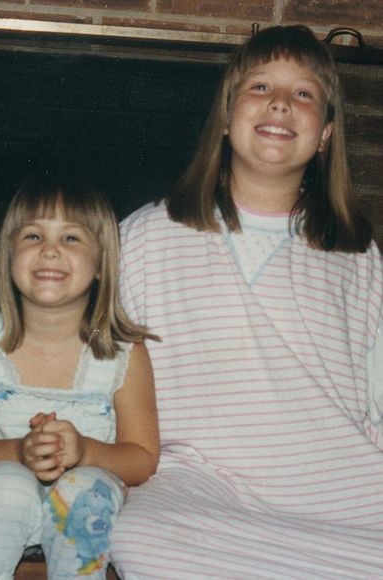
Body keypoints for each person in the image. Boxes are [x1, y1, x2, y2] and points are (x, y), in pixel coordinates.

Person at [109, 24, 383, 578]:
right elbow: (65, 335)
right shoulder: (148, 234)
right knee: (141, 540)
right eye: (260, 87)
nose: (280, 103)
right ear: (226, 117)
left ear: (325, 135)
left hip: (340, 482)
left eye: (303, 93)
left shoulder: (356, 255)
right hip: (202, 481)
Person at [0, 173, 159, 580]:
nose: (50, 250)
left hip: (87, 500)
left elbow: (142, 458)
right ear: (9, 255)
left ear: (101, 264)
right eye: (33, 236)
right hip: (0, 499)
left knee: (84, 489)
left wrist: (85, 451)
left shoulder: (124, 352)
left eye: (71, 238)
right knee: (7, 484)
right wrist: (18, 452)